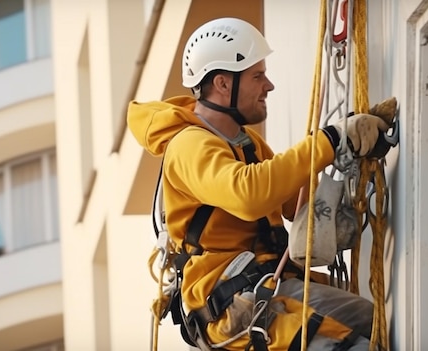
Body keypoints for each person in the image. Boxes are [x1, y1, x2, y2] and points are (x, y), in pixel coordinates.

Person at [128, 17, 389, 351]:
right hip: (230, 303)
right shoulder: (189, 145)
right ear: (223, 84)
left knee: (370, 319)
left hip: (266, 284)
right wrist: (327, 141)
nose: (268, 85)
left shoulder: (245, 142)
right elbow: (248, 194)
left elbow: (291, 202)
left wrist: (345, 150)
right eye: (257, 76)